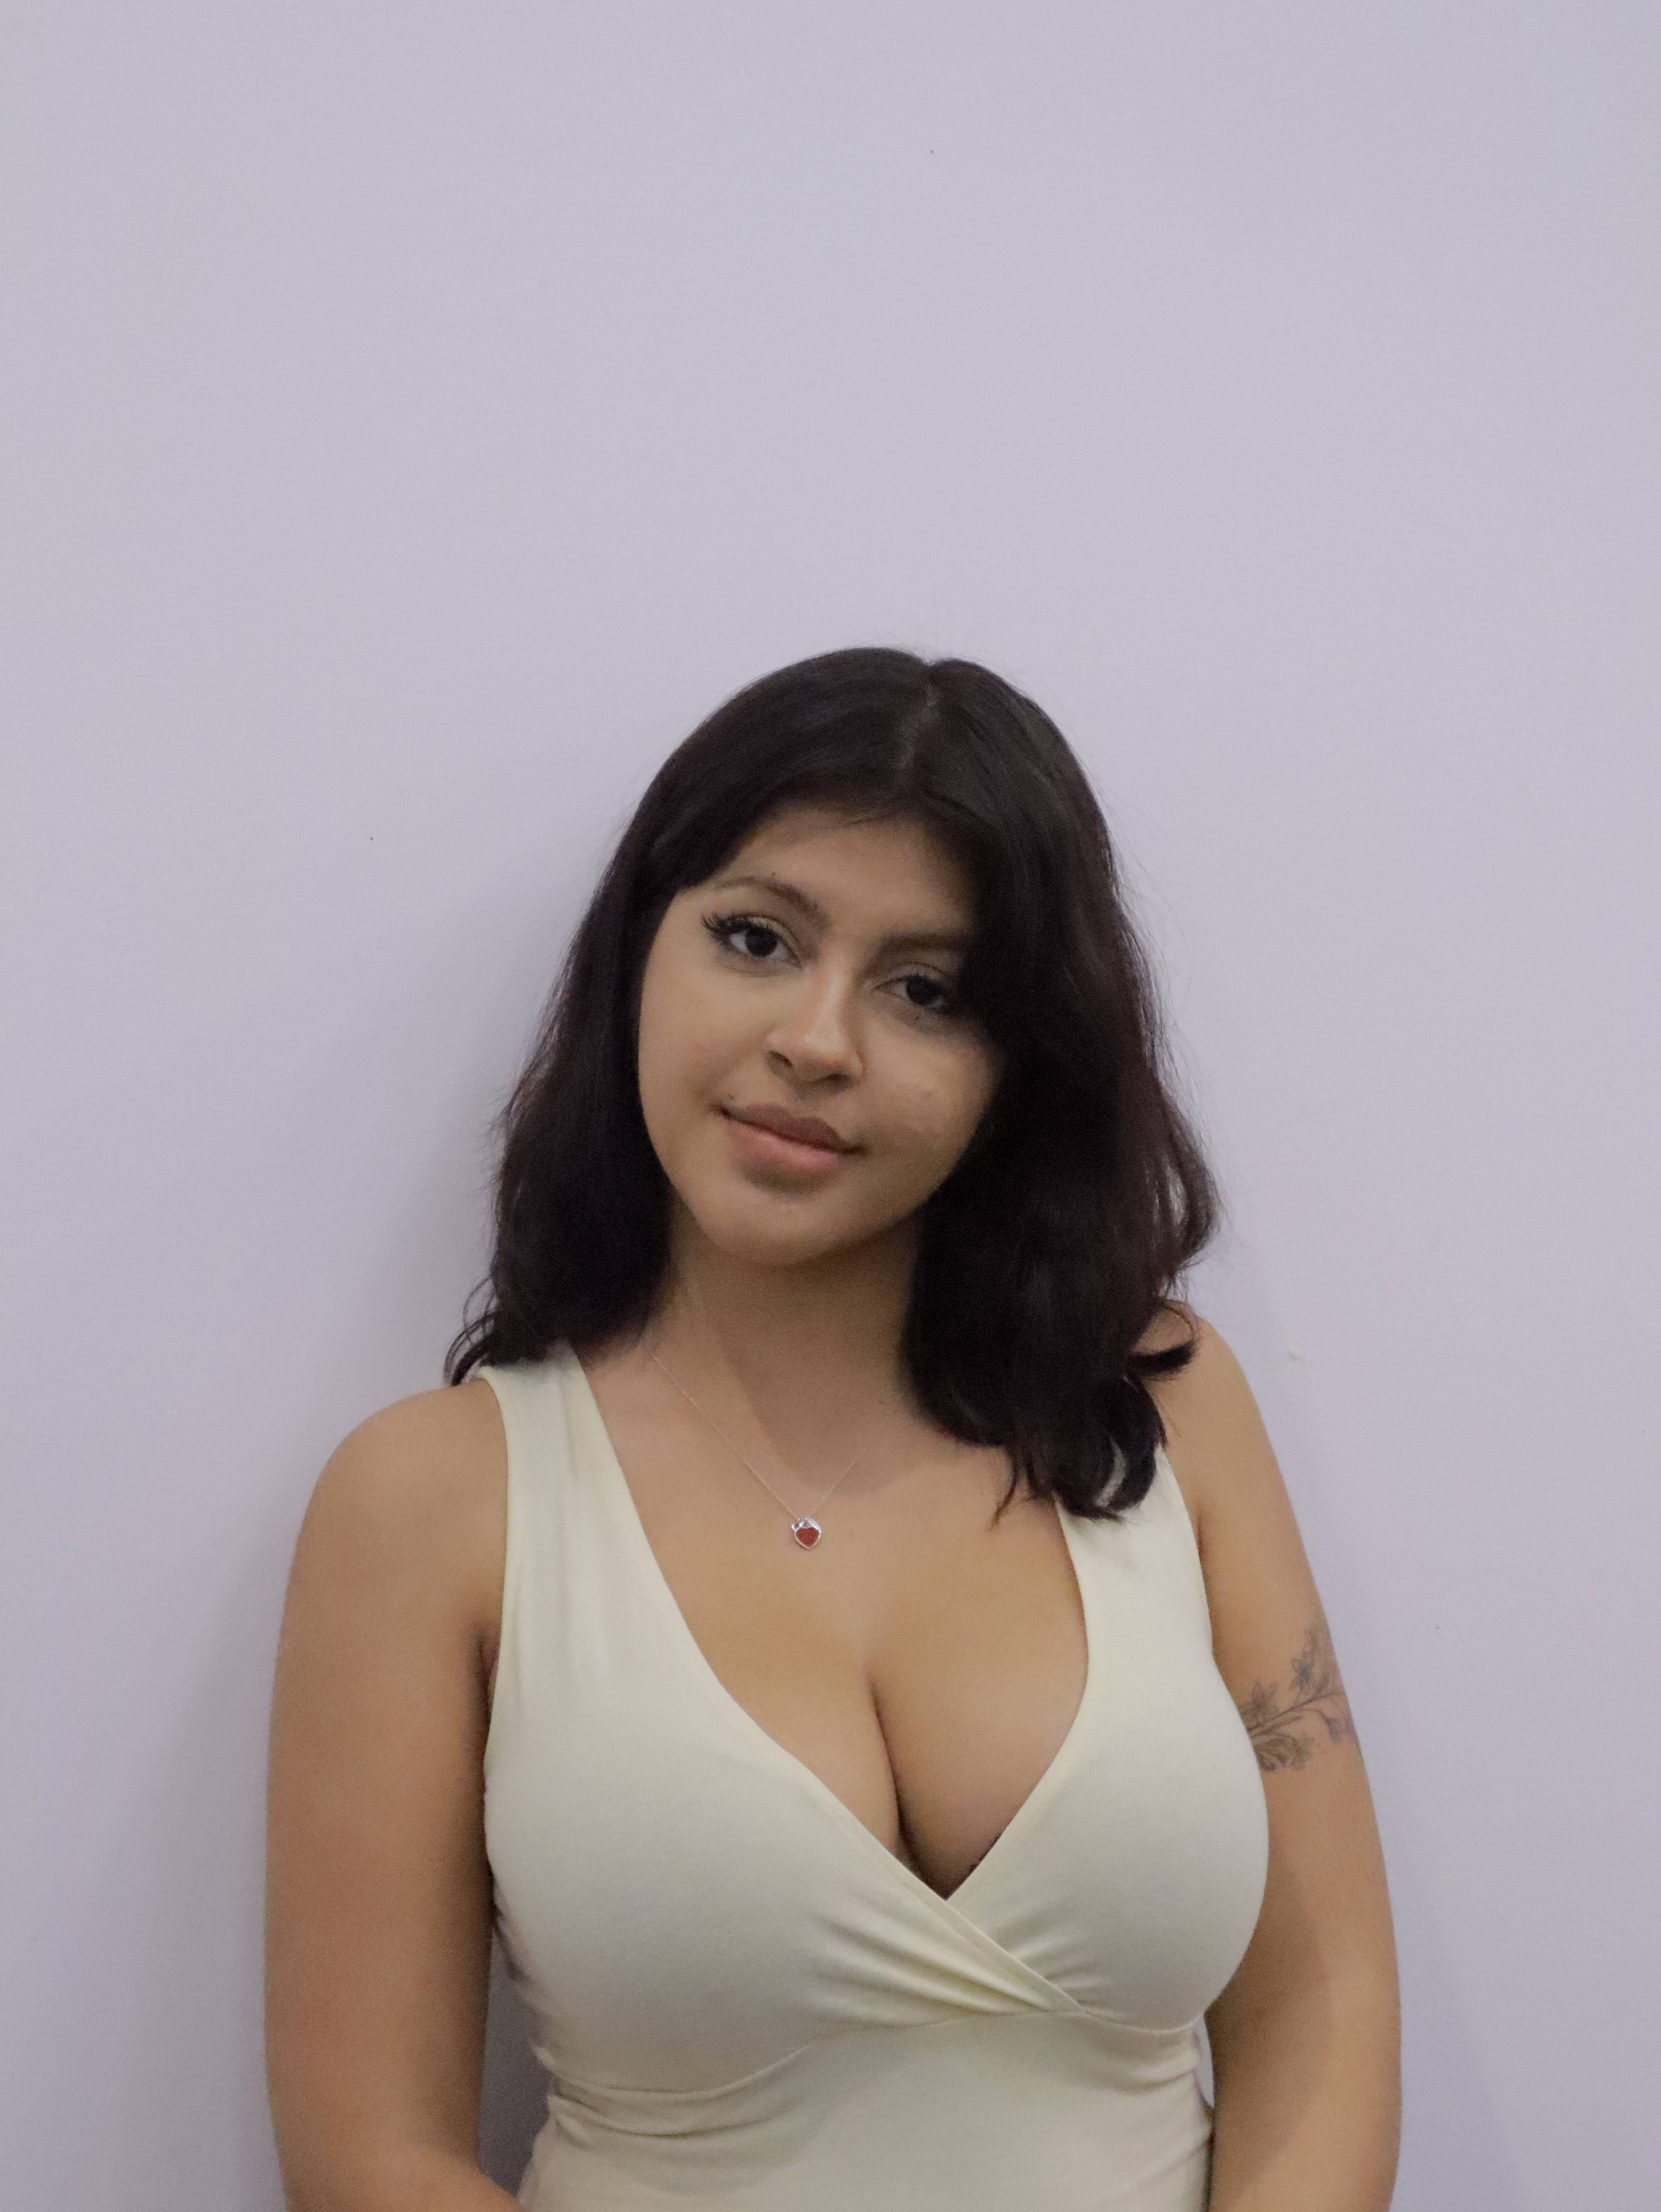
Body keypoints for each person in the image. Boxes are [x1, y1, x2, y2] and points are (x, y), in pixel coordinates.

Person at [265, 648, 1401, 2212]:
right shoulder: (434, 1500)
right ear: (636, 961)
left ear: (1021, 1064)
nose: (818, 1039)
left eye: (926, 991)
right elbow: (369, 2155)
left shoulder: (1161, 1407)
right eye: (756, 938)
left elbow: (1318, 2020)